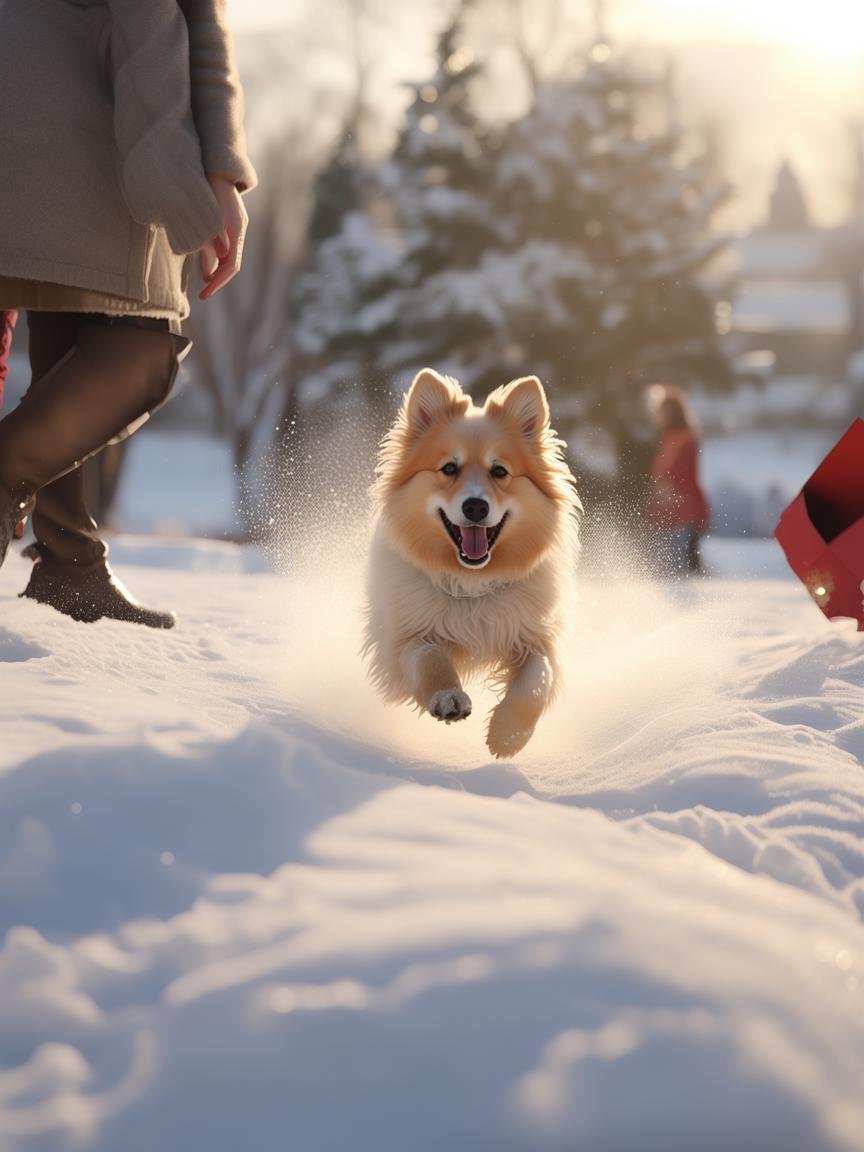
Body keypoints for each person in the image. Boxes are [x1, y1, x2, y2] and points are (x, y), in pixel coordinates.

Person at [0, 0, 256, 627]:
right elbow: (158, 17)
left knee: (72, 309)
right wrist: (191, 187)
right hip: (83, 114)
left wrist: (220, 166)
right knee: (141, 349)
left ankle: (70, 559)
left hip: (39, 105)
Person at [644, 384, 710, 576]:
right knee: (685, 564)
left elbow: (670, 474)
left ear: (671, 412)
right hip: (683, 508)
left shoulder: (679, 438)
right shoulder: (678, 436)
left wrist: (665, 495)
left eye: (661, 412)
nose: (657, 416)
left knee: (680, 569)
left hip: (681, 509)